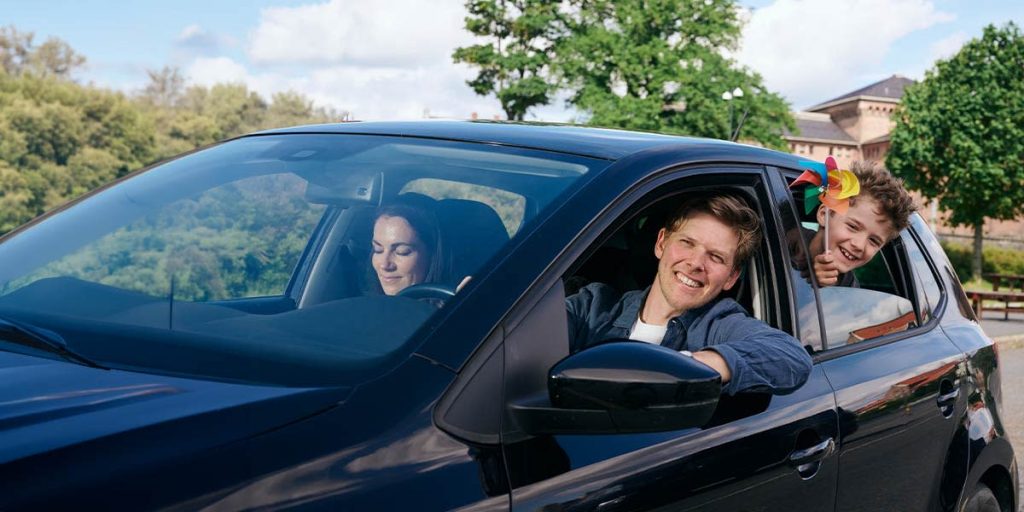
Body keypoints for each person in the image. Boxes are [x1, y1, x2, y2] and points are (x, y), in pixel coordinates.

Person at [567, 192, 813, 395]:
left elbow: (792, 357)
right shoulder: (592, 307)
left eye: (715, 257)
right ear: (661, 243)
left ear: (731, 277)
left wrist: (694, 366)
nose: (696, 263)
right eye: (687, 243)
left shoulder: (717, 325)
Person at [803, 161, 916, 287]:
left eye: (874, 241)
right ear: (824, 215)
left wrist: (826, 289)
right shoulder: (784, 240)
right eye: (853, 227)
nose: (859, 245)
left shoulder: (850, 288)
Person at [371, 203, 449, 296]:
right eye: (378, 250)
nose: (384, 265)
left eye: (402, 252)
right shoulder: (362, 305)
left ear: (432, 254)